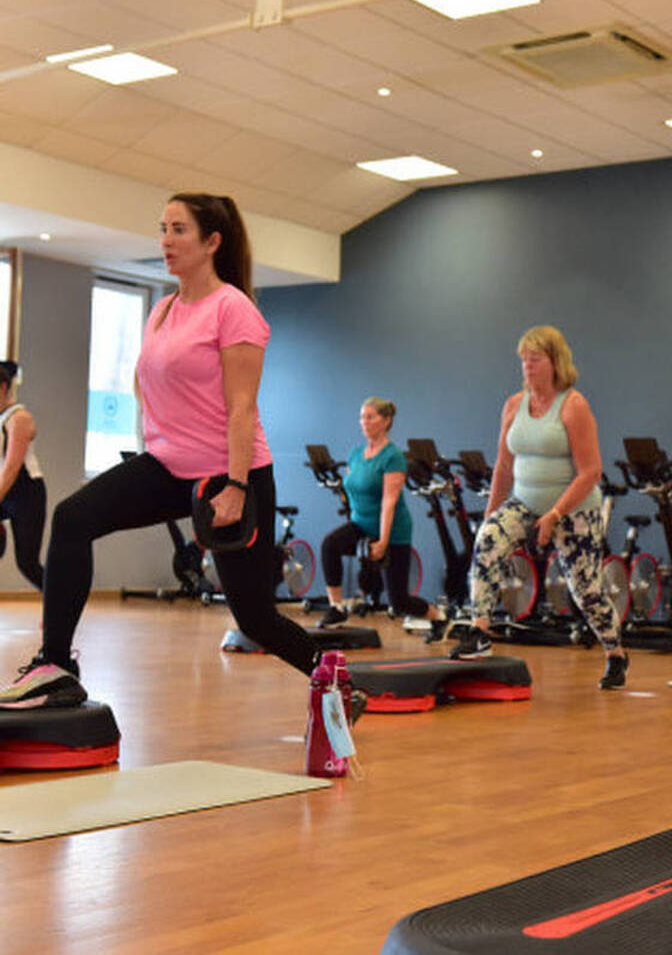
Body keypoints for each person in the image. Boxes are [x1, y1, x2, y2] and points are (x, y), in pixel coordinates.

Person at [0, 193, 329, 709]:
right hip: (167, 465)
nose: (166, 241)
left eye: (179, 230)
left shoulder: (233, 309)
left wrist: (237, 486)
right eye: (163, 229)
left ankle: (334, 679)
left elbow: (243, 408)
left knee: (254, 618)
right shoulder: (163, 309)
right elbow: (148, 382)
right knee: (72, 518)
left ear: (212, 242)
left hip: (228, 473)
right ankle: (56, 666)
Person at [452, 325, 629, 690]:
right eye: (524, 359)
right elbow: (503, 467)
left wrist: (554, 515)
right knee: (487, 541)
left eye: (535, 359)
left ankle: (615, 653)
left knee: (586, 591)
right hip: (525, 503)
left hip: (574, 509)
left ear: (555, 362)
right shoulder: (514, 405)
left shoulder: (573, 406)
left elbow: (591, 471)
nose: (527, 366)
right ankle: (480, 630)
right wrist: (491, 516)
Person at [319, 397, 447, 639]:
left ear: (386, 421)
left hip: (393, 530)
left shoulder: (393, 457)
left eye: (370, 417)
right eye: (362, 417)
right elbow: (353, 489)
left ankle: (438, 617)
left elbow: (389, 501)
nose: (364, 422)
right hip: (360, 524)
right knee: (330, 544)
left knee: (399, 602)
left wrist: (383, 541)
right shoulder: (355, 455)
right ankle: (337, 608)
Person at [0, 360, 45, 591]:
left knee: (27, 563)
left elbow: (11, 469)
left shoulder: (19, 418)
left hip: (26, 494)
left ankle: (61, 600)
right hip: (6, 490)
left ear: (3, 387)